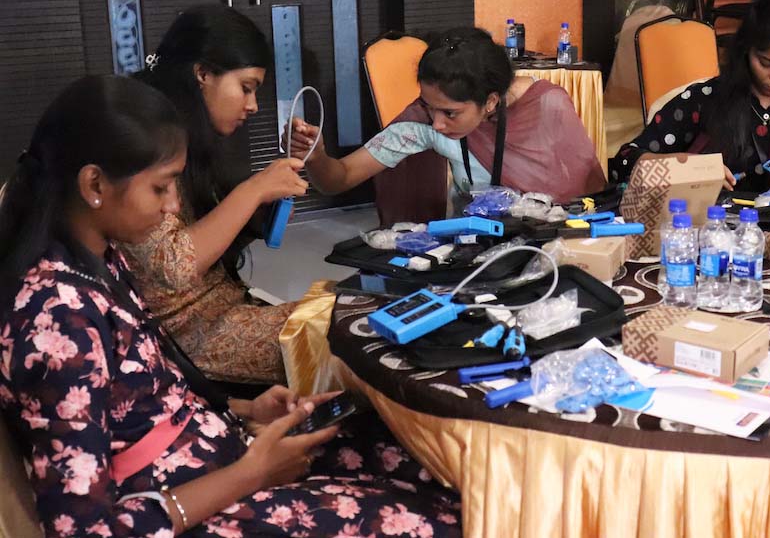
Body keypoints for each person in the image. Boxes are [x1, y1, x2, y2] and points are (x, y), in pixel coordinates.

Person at [0, 75, 461, 538]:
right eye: (161, 189)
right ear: (94, 183)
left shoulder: (99, 260)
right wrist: (251, 474)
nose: (172, 206)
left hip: (216, 451)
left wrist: (242, 410)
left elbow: (137, 400)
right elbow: (84, 530)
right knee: (438, 520)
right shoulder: (55, 317)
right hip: (190, 501)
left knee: (429, 459)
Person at [125, 5, 308, 385]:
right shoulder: (141, 141)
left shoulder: (189, 137)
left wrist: (270, 189)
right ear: (203, 73)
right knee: (347, 335)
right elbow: (174, 265)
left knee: (352, 315)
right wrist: (253, 190)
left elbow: (218, 228)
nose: (253, 106)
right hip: (187, 338)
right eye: (246, 88)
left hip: (222, 308)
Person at [290, 27, 607, 210]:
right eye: (429, 107)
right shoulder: (424, 122)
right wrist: (316, 157)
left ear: (490, 101)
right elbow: (339, 178)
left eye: (451, 113)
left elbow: (584, 194)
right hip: (474, 255)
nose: (437, 124)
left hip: (556, 248)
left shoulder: (548, 106)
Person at [610, 0, 770, 192]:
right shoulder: (703, 101)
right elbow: (622, 164)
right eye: (766, 63)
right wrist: (685, 166)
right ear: (746, 49)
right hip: (712, 233)